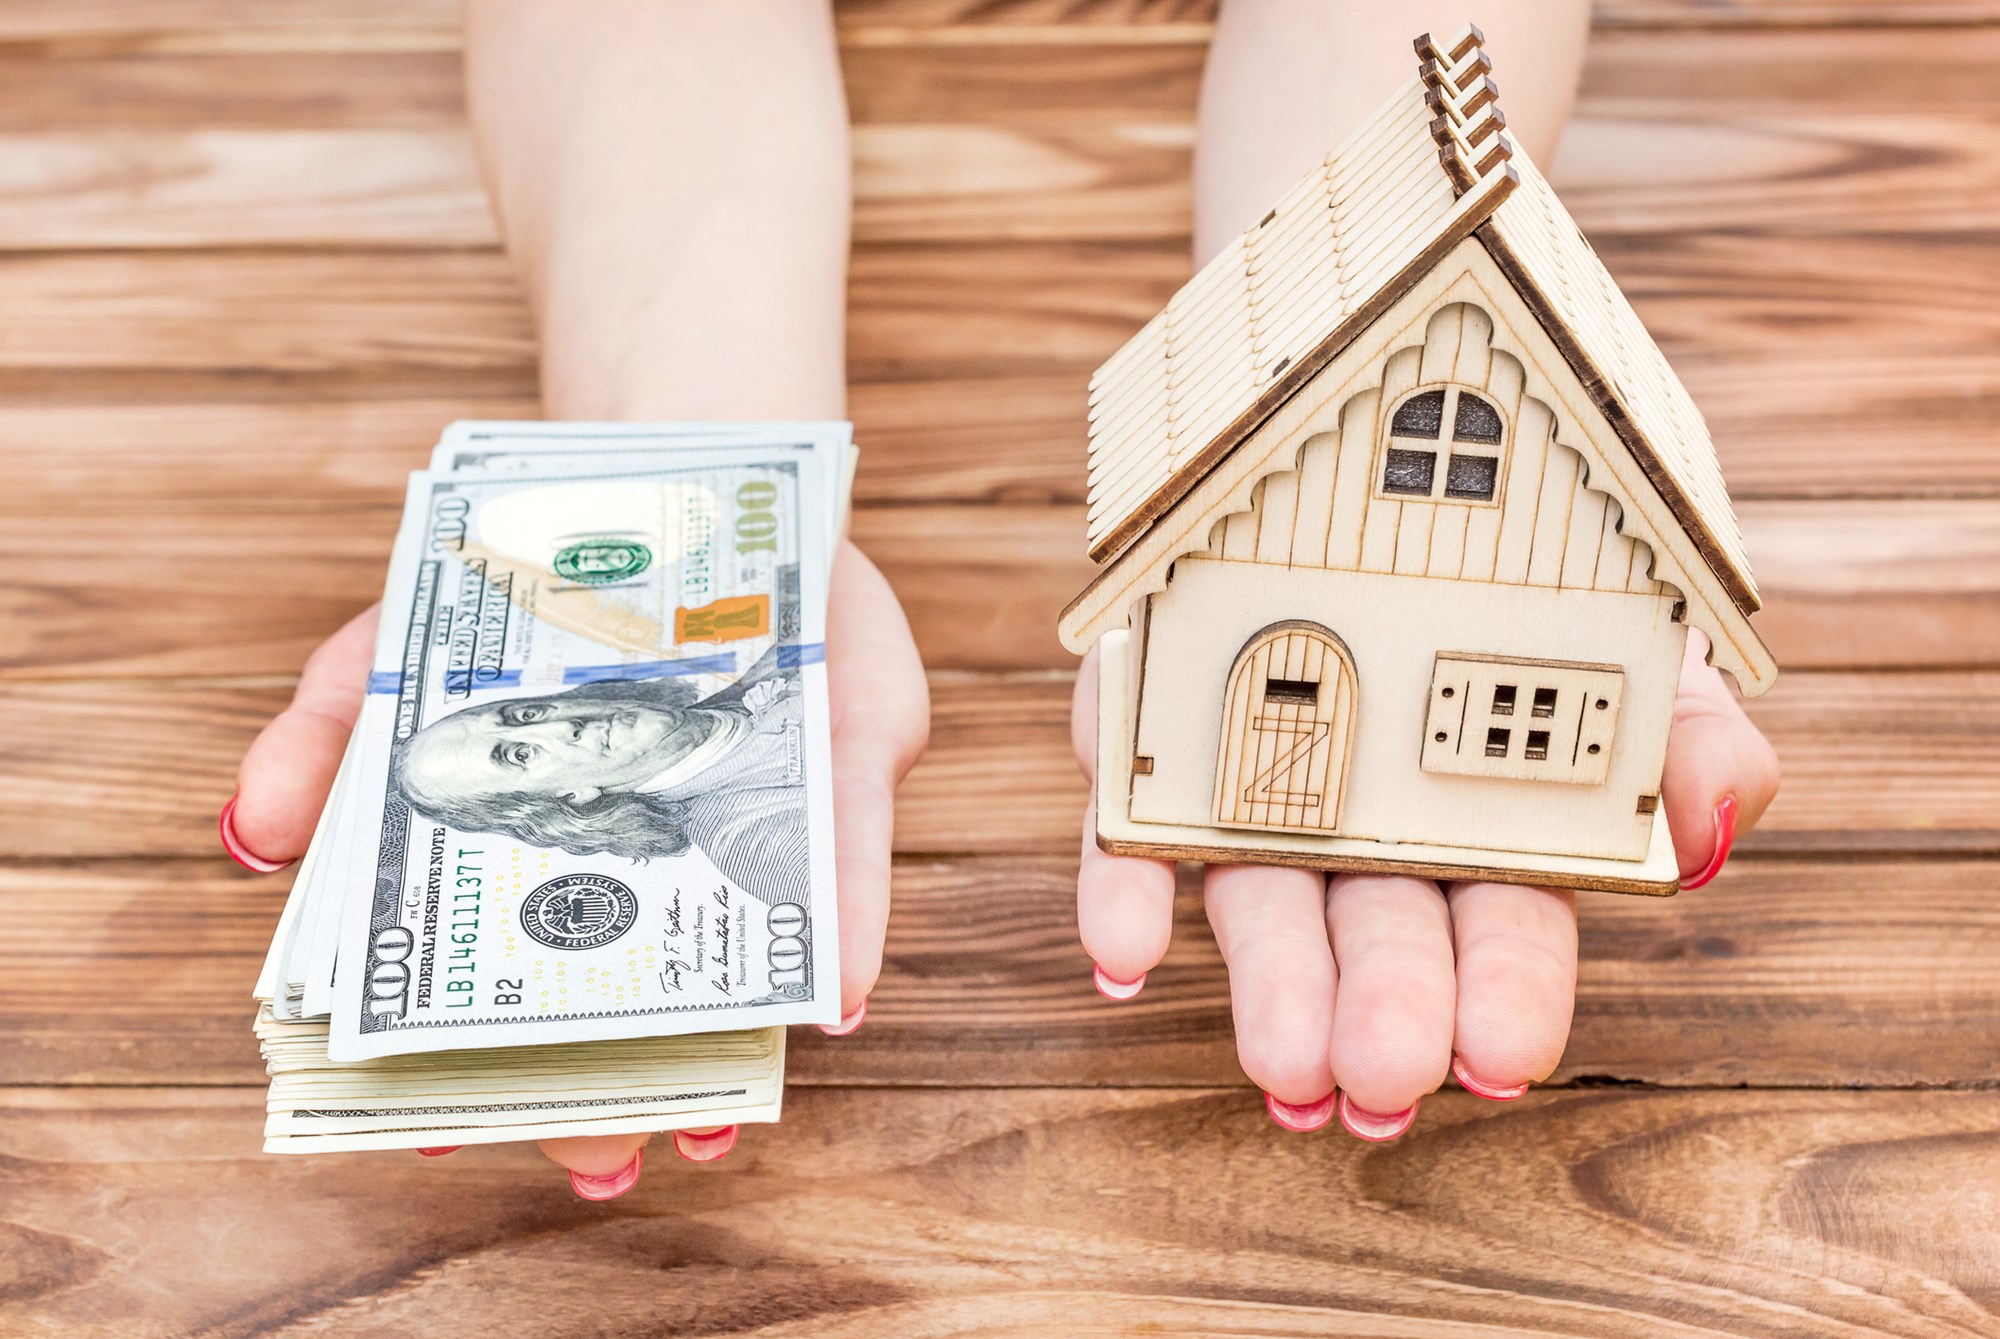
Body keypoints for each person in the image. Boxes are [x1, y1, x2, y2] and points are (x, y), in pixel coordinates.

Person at [220, 1, 1779, 1197]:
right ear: (560, 809)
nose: (542, 734)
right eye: (518, 770)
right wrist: (695, 443)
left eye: (510, 729)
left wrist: (1340, 329)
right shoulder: (730, 803)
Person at [394, 650, 813, 901]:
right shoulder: (757, 837)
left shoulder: (770, 664)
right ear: (569, 797)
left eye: (524, 715)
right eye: (520, 754)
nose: (561, 728)